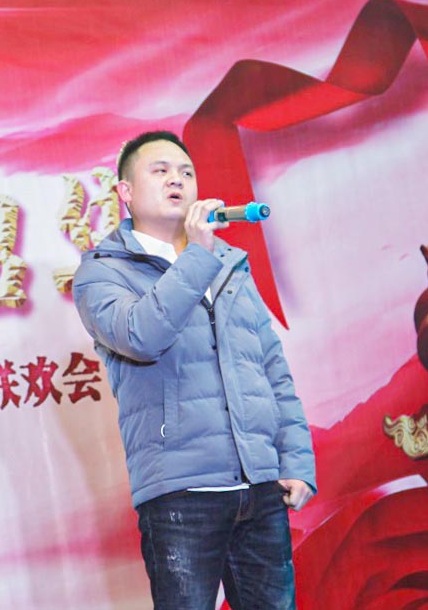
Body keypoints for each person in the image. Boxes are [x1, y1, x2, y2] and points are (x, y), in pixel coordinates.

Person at [72, 131, 316, 609]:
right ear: (125, 191)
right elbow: (142, 336)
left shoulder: (230, 265)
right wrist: (198, 255)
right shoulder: (102, 273)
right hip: (181, 493)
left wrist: (295, 460)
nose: (177, 180)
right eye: (160, 171)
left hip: (259, 486)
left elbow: (270, 368)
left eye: (186, 172)